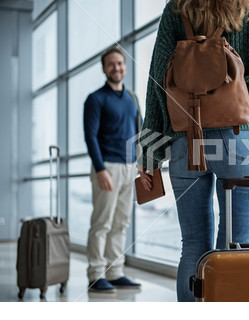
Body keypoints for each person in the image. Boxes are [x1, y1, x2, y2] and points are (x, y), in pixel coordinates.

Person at [138, 0, 249, 301]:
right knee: (233, 248)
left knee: (193, 245)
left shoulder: (178, 8)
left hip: (187, 140)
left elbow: (158, 83)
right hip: (241, 140)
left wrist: (149, 154)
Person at [83, 47, 142, 293]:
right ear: (104, 68)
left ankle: (115, 271)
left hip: (130, 168)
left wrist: (141, 163)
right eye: (111, 64)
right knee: (102, 223)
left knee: (121, 223)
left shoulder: (132, 98)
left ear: (125, 67)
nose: (116, 68)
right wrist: (100, 170)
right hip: (107, 167)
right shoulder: (95, 99)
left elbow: (139, 132)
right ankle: (96, 274)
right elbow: (90, 137)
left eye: (119, 63)